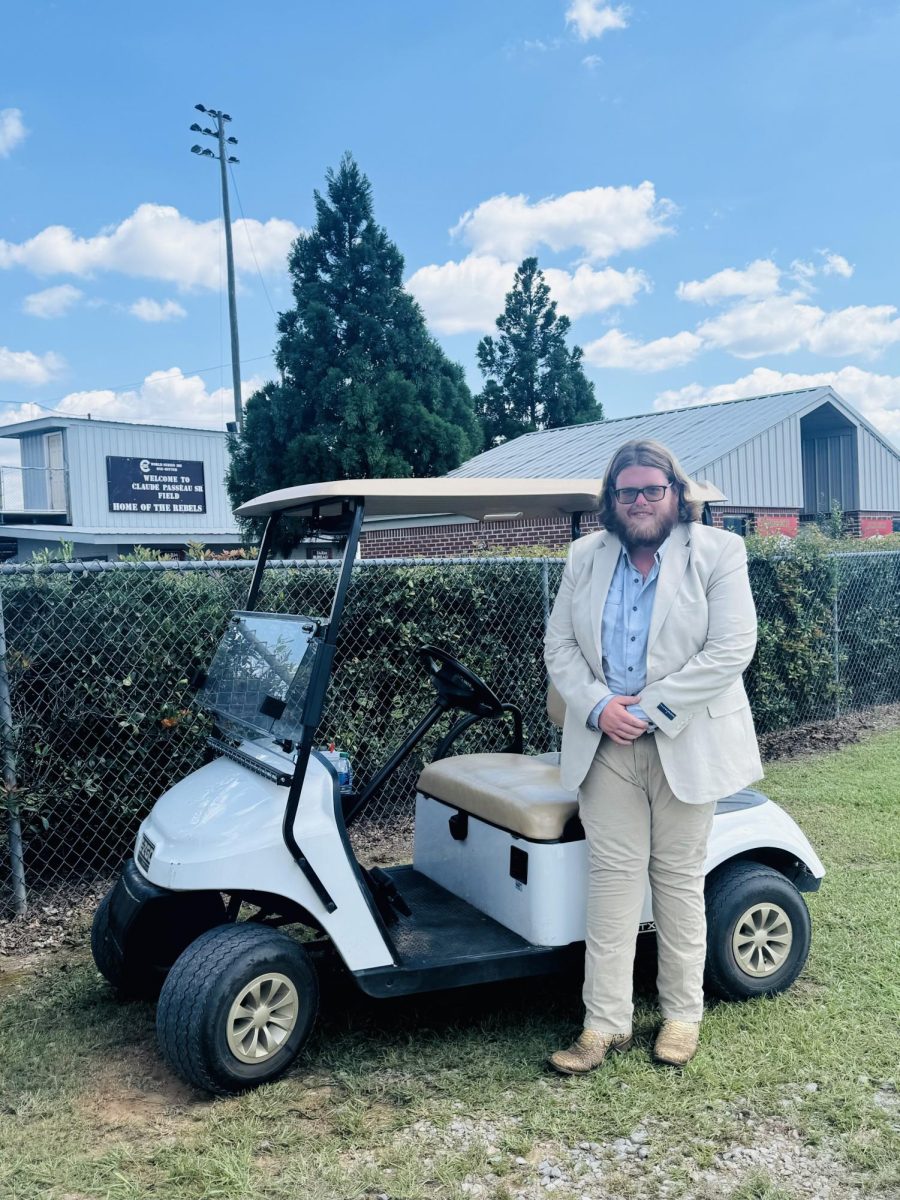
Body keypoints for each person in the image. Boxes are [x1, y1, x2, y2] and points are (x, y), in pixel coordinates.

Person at [544, 438, 762, 1073]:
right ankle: (602, 1025)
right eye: (626, 491)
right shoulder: (585, 556)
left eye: (651, 490)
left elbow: (730, 648)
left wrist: (649, 708)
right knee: (611, 884)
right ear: (611, 500)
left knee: (677, 883)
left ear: (675, 492)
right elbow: (560, 647)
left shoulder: (719, 553)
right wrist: (596, 706)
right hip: (605, 744)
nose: (639, 501)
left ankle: (681, 1017)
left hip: (685, 742)